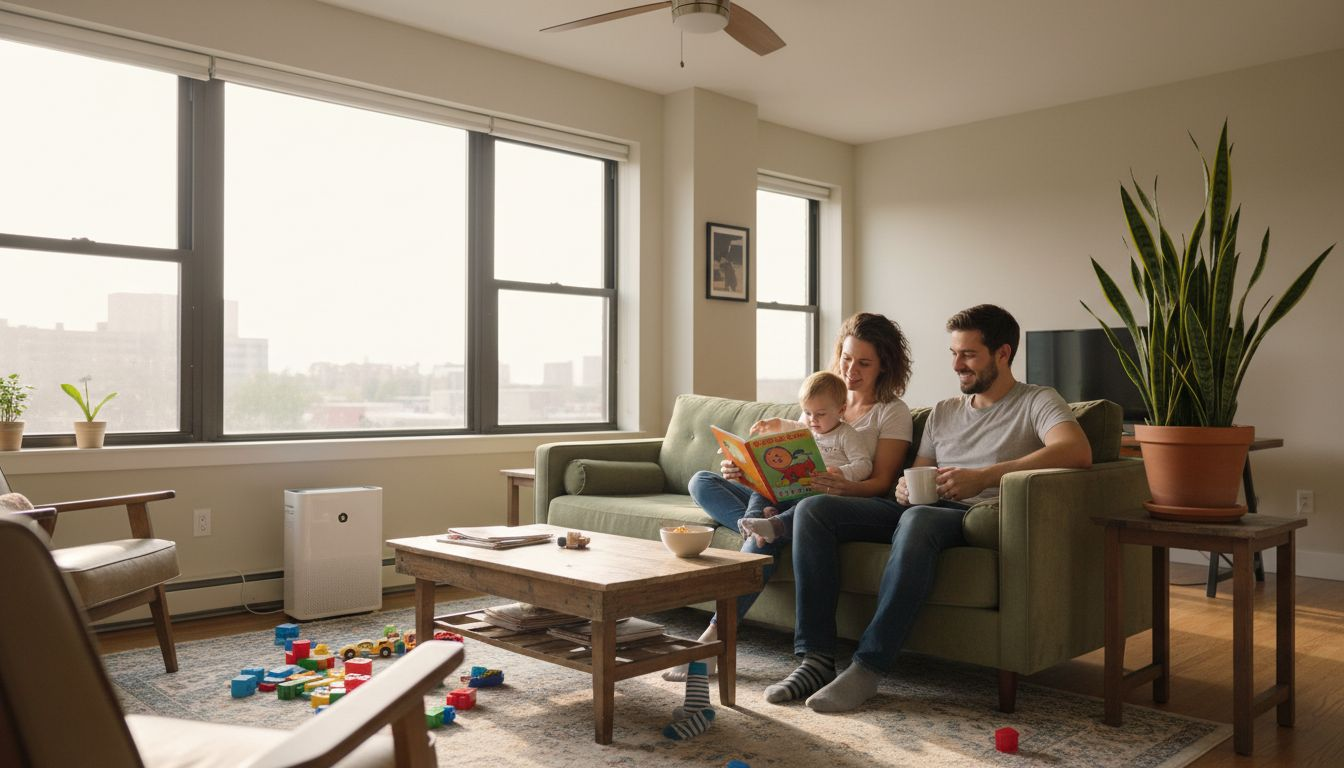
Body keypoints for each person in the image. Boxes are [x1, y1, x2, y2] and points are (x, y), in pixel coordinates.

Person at [770, 304, 1093, 712]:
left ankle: (868, 667)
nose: (957, 364)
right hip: (919, 509)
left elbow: (1076, 451)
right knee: (815, 509)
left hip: (974, 516)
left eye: (969, 354)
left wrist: (983, 476)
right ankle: (815, 658)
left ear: (1003, 354)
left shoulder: (1037, 401)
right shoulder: (944, 411)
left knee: (920, 517)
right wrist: (905, 487)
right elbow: (917, 473)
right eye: (954, 353)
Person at [663, 312, 914, 682]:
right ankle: (764, 527)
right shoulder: (820, 402)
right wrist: (747, 472)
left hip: (835, 502)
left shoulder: (891, 413)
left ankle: (715, 635)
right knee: (704, 480)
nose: (851, 370)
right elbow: (787, 456)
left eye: (864, 363)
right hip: (786, 496)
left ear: (885, 366)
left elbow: (880, 483)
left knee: (788, 516)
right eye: (846, 359)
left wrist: (839, 484)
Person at [739, 370, 873, 546]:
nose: (812, 420)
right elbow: (792, 425)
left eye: (820, 414)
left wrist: (841, 472)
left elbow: (864, 464)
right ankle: (752, 521)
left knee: (805, 506)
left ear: (841, 409)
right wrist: (773, 423)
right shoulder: (806, 430)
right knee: (762, 488)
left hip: (821, 493)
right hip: (794, 487)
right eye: (807, 413)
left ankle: (775, 524)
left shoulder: (846, 435)